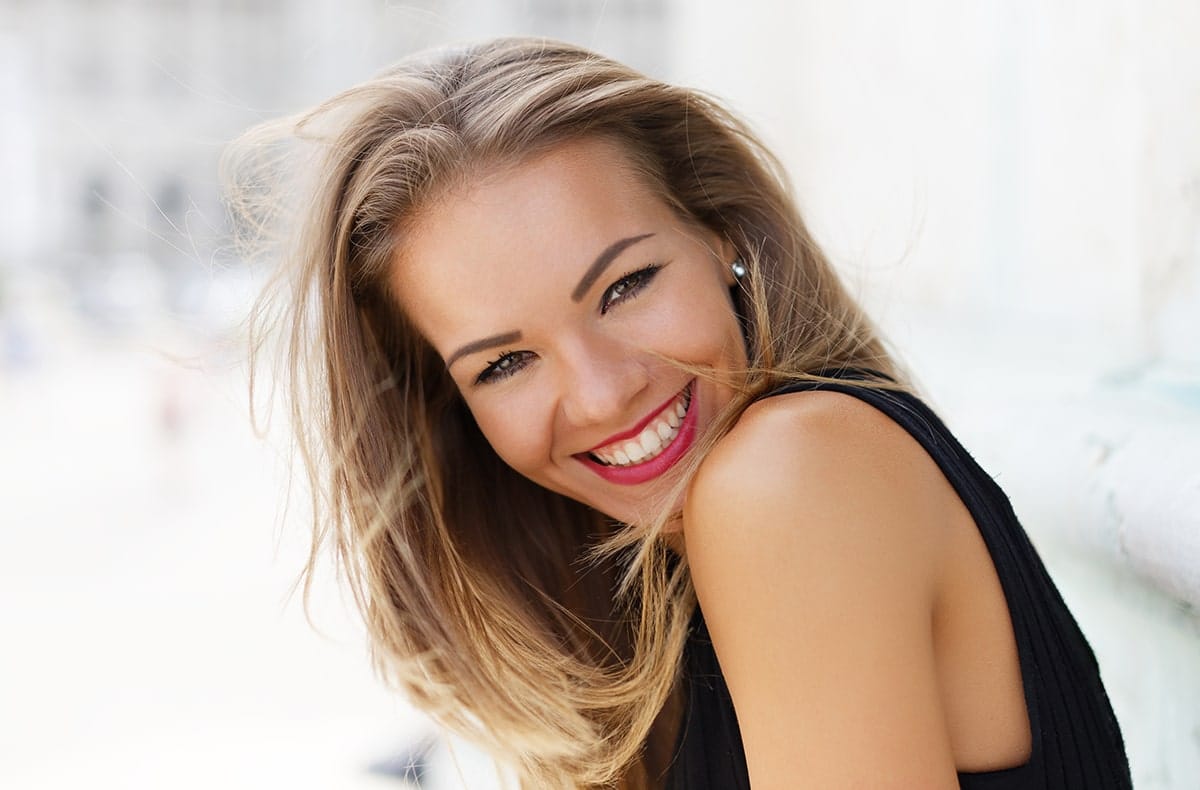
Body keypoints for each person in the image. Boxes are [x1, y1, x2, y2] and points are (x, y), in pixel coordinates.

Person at [225, 37, 1132, 789]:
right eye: (505, 363)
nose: (601, 392)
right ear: (452, 406)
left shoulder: (789, 477)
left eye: (625, 286)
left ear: (720, 233)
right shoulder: (671, 578)